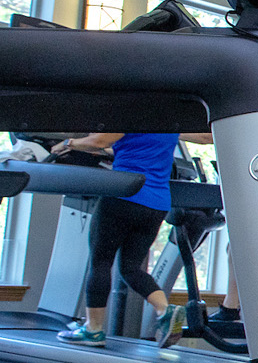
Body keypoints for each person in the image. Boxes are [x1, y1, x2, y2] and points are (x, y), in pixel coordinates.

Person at [53, 130, 200, 348]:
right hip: (157, 203)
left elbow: (100, 140)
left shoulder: (130, 115)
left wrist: (68, 143)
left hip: (124, 193)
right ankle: (164, 310)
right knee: (130, 268)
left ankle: (93, 330)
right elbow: (133, 147)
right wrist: (107, 150)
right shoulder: (169, 121)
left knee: (101, 262)